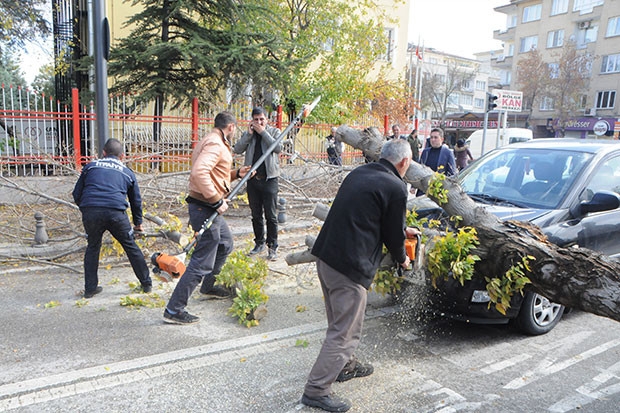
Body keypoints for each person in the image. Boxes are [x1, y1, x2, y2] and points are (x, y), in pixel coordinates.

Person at [301, 138, 419, 412]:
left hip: (327, 257)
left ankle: (345, 365)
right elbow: (391, 236)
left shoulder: (359, 173)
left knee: (339, 323)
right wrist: (403, 259)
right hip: (349, 268)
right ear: (404, 162)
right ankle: (316, 390)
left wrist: (402, 231)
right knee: (345, 332)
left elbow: (366, 216)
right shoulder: (397, 187)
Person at [163, 112, 251, 324]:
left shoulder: (211, 140)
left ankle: (209, 286)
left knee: (225, 244)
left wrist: (236, 173)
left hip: (206, 207)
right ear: (230, 127)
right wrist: (216, 200)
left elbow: (214, 173)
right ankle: (174, 310)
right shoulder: (215, 144)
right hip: (205, 207)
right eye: (235, 129)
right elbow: (199, 173)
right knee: (201, 261)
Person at [72, 138, 152, 298]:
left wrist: (88, 209)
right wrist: (138, 224)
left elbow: (76, 193)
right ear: (122, 156)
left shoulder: (90, 167)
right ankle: (146, 284)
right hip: (116, 213)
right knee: (130, 245)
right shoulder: (128, 173)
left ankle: (90, 289)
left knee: (93, 247)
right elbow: (136, 201)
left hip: (91, 211)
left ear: (103, 153)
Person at [233, 107, 282, 261]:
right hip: (253, 179)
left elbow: (278, 148)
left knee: (271, 216)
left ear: (266, 120)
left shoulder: (274, 132)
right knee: (256, 215)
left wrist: (263, 132)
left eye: (262, 119)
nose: (259, 122)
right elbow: (238, 149)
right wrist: (248, 134)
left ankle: (272, 246)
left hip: (270, 179)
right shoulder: (249, 134)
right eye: (256, 120)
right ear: (252, 120)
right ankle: (259, 243)